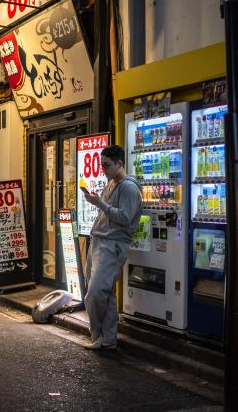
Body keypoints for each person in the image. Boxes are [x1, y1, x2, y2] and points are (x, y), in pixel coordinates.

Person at [82, 145, 142, 350]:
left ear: (120, 163)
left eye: (106, 165)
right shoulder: (112, 184)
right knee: (104, 293)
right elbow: (108, 211)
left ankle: (97, 335)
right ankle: (107, 339)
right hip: (100, 241)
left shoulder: (128, 187)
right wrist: (96, 201)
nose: (103, 169)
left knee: (95, 293)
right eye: (102, 165)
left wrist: (101, 204)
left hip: (112, 244)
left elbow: (125, 218)